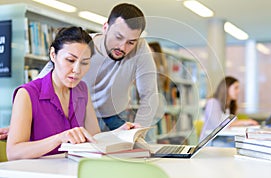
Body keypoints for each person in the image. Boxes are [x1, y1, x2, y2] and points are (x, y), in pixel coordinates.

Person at [6, 27, 133, 160]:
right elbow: (13, 153)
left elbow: (95, 138)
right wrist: (59, 138)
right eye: (70, 60)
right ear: (53, 55)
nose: (77, 70)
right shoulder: (27, 94)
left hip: (71, 171)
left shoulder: (82, 90)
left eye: (84, 63)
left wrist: (119, 134)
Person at [39, 3, 158, 132]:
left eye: (131, 42)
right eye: (118, 37)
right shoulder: (84, 45)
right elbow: (42, 81)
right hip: (81, 114)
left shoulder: (140, 49)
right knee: (83, 150)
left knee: (132, 150)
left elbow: (149, 95)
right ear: (105, 28)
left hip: (116, 115)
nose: (122, 47)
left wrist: (138, 131)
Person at [200, 76, 258, 140]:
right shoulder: (213, 103)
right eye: (236, 88)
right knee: (240, 145)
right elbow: (218, 126)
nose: (238, 91)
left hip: (224, 139)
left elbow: (233, 123)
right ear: (226, 88)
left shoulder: (229, 105)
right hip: (211, 141)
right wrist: (244, 122)